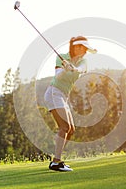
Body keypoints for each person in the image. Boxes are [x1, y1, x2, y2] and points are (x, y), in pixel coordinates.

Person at [44, 36, 97, 172]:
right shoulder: (61, 57)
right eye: (84, 48)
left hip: (63, 96)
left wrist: (72, 68)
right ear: (76, 47)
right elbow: (57, 76)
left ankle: (57, 158)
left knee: (71, 130)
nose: (85, 51)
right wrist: (64, 69)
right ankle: (56, 162)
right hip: (54, 93)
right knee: (65, 126)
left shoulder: (83, 61)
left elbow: (81, 69)